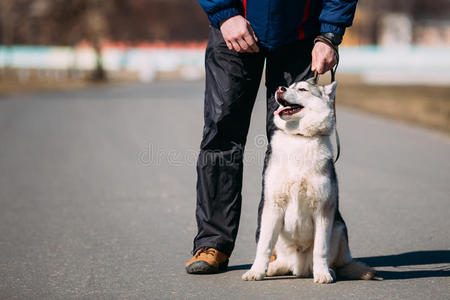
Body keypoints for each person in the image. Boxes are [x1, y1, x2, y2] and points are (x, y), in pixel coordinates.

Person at [186, 0, 357, 274]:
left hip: (301, 33)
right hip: (232, 24)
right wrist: (224, 14)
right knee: (222, 135)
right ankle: (213, 243)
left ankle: (277, 248)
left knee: (294, 138)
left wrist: (330, 33)